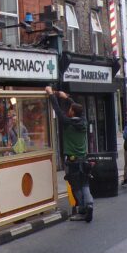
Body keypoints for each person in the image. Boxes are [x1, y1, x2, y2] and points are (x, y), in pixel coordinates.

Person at [46, 86, 93, 222]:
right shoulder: (84, 121)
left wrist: (51, 94)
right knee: (85, 185)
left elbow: (57, 110)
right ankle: (89, 205)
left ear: (72, 112)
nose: (68, 110)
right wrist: (66, 98)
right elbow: (75, 110)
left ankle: (83, 209)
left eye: (70, 109)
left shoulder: (67, 123)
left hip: (72, 161)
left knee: (76, 187)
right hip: (84, 160)